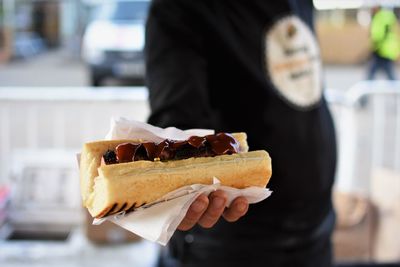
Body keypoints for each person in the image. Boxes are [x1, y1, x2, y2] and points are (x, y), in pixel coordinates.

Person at [145, 0, 337, 266]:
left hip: (316, 231)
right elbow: (177, 119)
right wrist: (181, 182)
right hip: (231, 246)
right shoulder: (180, 8)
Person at [367, 6, 400, 80]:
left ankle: (366, 88)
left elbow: (378, 34)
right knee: (375, 71)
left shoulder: (379, 17)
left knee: (376, 71)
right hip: (386, 49)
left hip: (381, 49)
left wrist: (375, 46)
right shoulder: (388, 16)